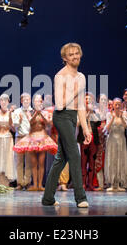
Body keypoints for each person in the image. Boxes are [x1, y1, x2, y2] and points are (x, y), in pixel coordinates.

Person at [42, 42, 92, 208]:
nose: (75, 56)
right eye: (71, 54)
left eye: (77, 53)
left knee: (61, 159)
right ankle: (80, 198)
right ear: (64, 58)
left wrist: (86, 129)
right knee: (74, 155)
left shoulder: (81, 77)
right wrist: (76, 91)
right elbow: (60, 105)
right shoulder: (60, 76)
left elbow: (81, 106)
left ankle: (48, 197)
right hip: (62, 117)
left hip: (72, 117)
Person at [14, 94, 57, 191]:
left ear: (41, 102)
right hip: (32, 137)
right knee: (33, 163)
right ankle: (34, 184)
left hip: (42, 137)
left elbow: (48, 123)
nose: (38, 102)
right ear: (34, 102)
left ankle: (40, 185)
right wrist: (36, 113)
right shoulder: (30, 112)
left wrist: (40, 113)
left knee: (41, 162)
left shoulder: (45, 112)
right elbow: (30, 121)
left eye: (39, 101)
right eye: (36, 101)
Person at [104, 98, 127, 192]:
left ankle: (119, 184)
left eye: (119, 104)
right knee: (112, 160)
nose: (118, 106)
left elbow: (126, 126)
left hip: (121, 140)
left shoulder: (124, 114)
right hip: (112, 140)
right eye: (116, 104)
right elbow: (107, 128)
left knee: (121, 160)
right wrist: (113, 118)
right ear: (113, 105)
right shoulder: (109, 114)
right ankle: (112, 184)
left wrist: (121, 117)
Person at [12, 93, 33, 190]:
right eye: (24, 99)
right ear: (21, 101)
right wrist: (19, 121)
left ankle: (27, 182)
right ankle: (20, 182)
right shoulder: (17, 111)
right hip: (19, 137)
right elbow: (14, 126)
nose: (26, 101)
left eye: (28, 99)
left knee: (29, 161)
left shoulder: (33, 111)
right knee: (19, 161)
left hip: (29, 137)